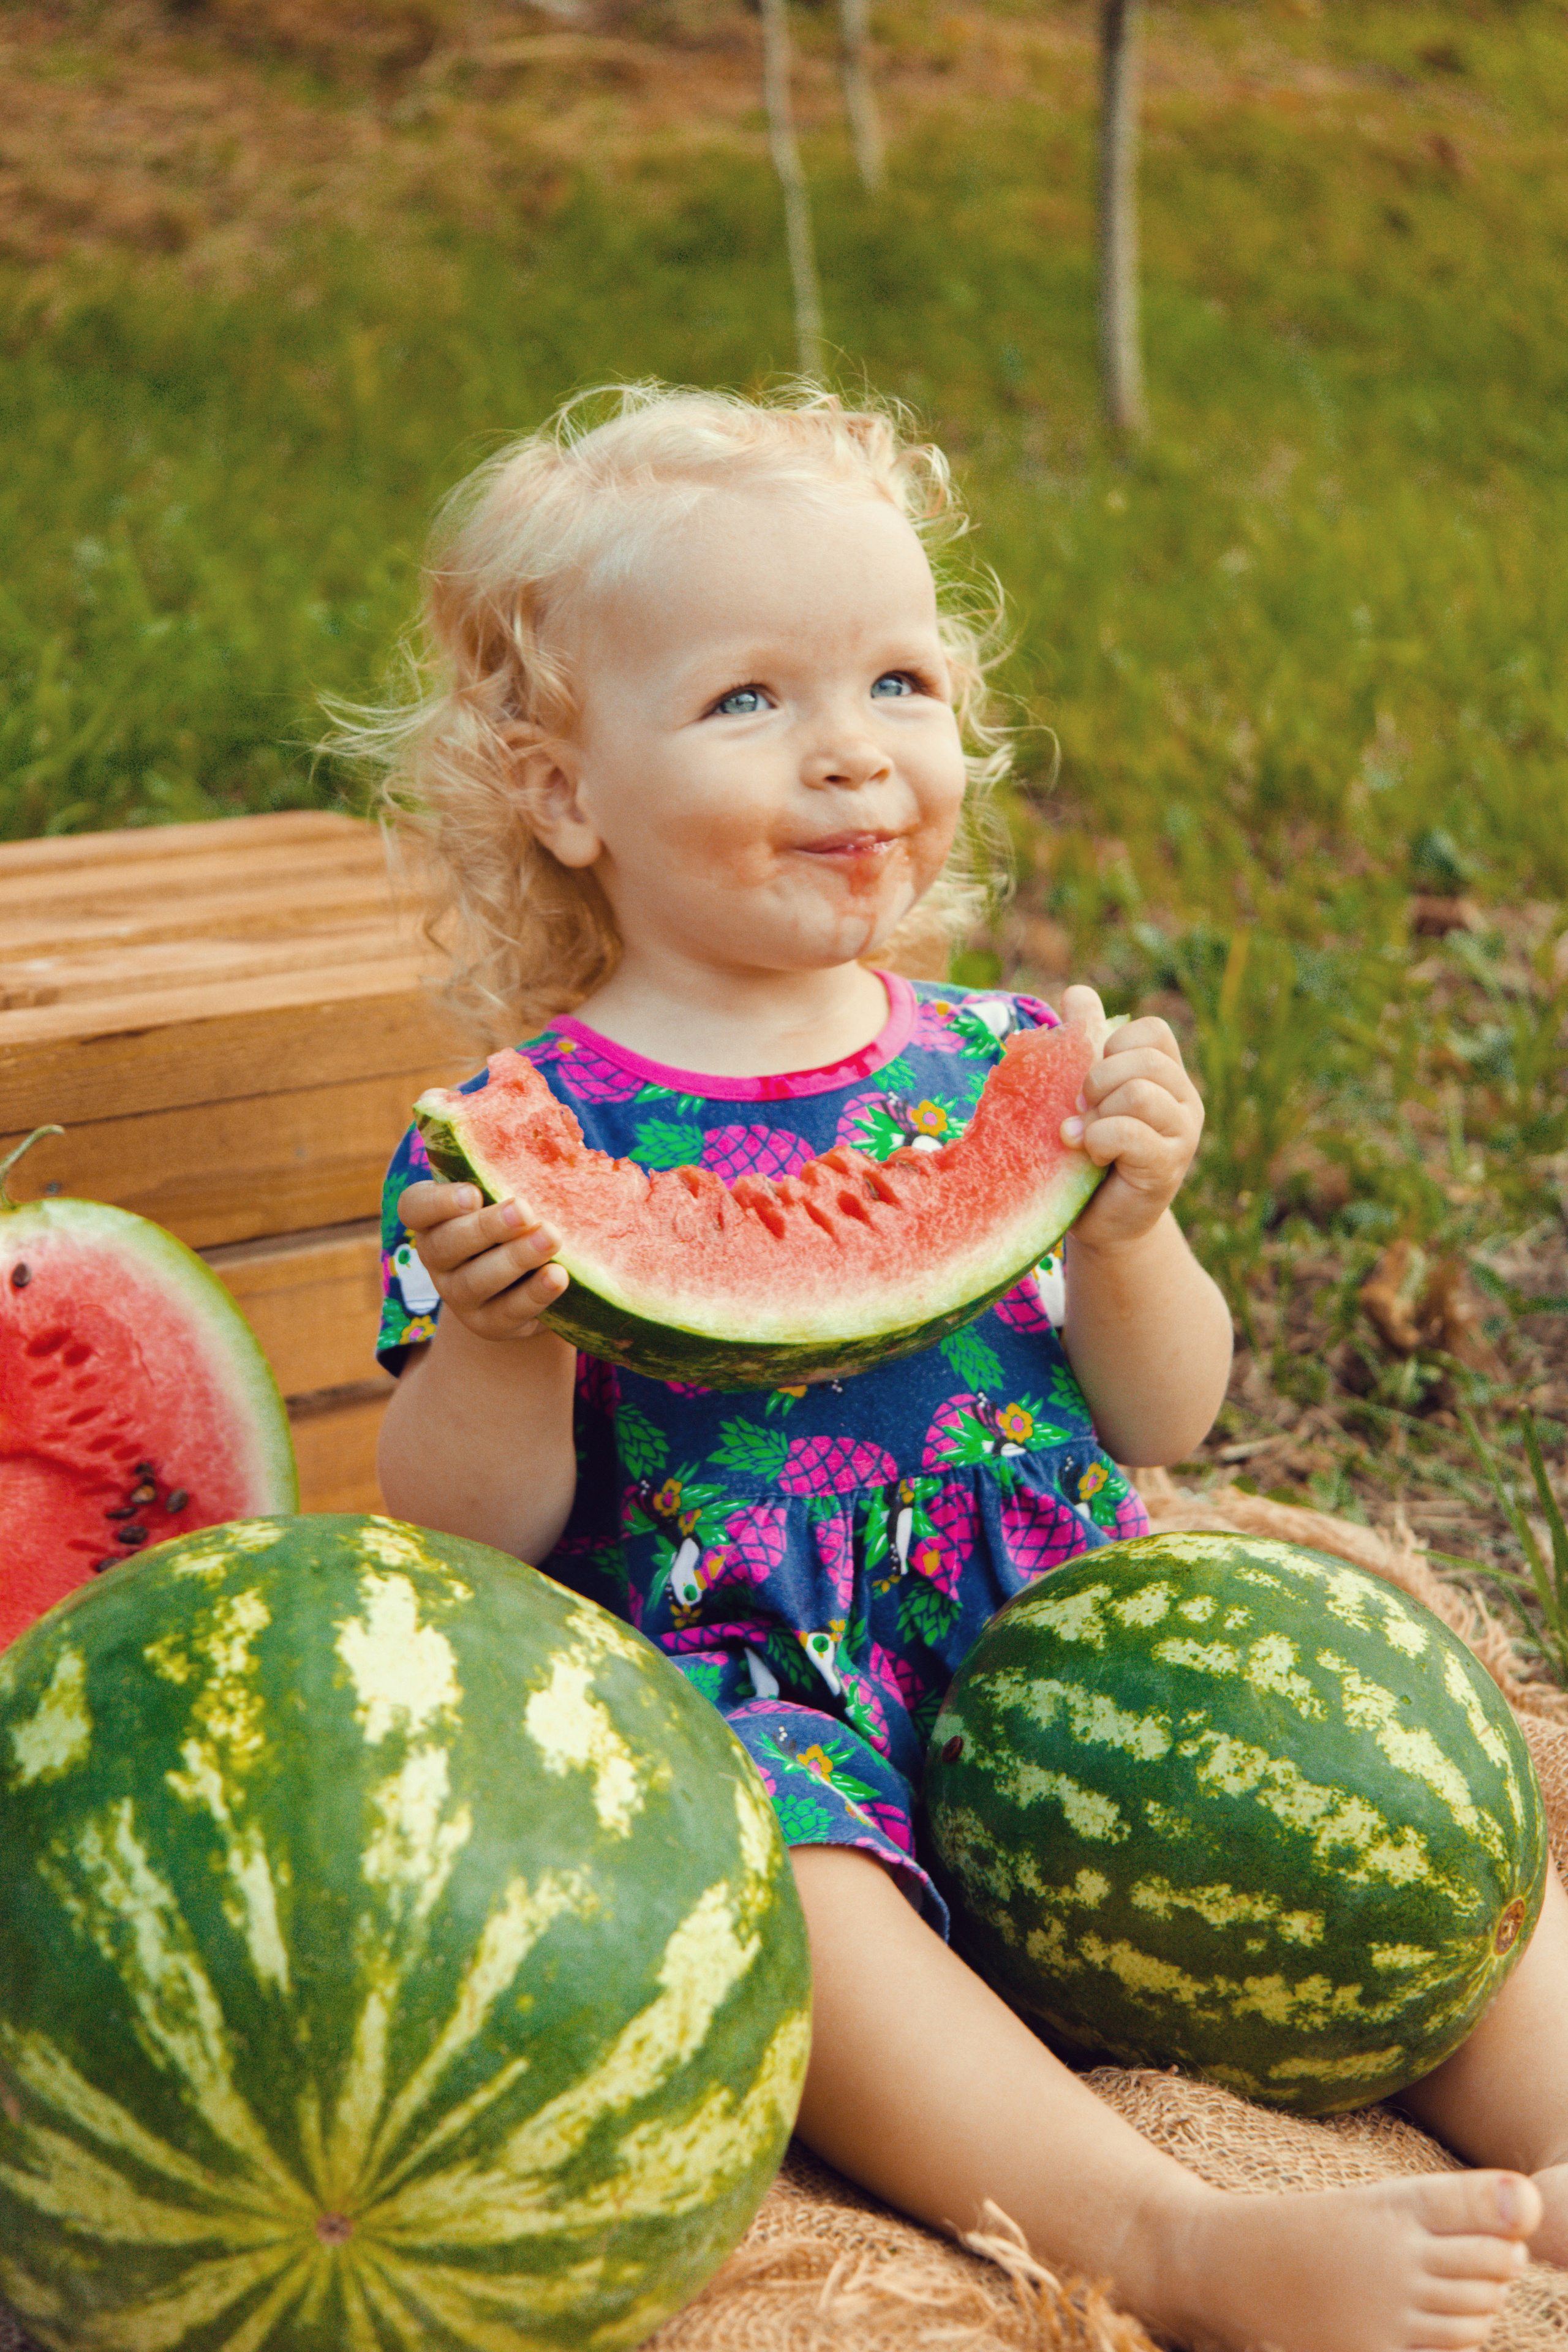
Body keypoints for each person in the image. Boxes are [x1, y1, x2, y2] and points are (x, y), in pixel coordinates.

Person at [366, 383, 1568, 2352]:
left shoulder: (1004, 1066)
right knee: (780, 1883)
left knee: (1382, 1763)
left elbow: (1167, 1419)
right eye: (750, 701)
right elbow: (470, 1534)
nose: (851, 756)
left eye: (900, 683)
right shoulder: (504, 1138)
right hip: (762, 1696)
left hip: (1070, 1641)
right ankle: (1170, 2242)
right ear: (562, 790)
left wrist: (1131, 1229)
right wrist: (501, 1341)